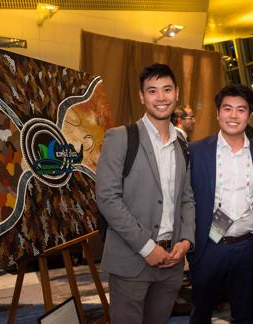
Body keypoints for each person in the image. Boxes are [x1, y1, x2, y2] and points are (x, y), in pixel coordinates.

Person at [95, 63, 195, 324]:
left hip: (172, 262)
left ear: (176, 93)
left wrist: (186, 240)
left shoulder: (182, 144)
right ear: (141, 96)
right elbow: (107, 198)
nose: (161, 98)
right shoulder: (120, 138)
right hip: (132, 261)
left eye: (167, 90)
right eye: (152, 91)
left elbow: (187, 197)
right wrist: (146, 247)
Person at [188, 84, 253, 323]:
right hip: (209, 245)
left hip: (248, 246)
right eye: (227, 109)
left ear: (250, 115)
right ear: (217, 113)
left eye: (241, 110)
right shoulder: (196, 151)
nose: (233, 116)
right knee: (201, 310)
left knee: (244, 312)